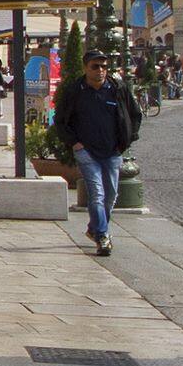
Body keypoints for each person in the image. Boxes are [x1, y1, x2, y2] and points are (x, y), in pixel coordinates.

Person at [54, 55, 141, 257]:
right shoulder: (75, 91)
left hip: (112, 151)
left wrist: (126, 140)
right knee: (97, 194)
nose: (100, 70)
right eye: (95, 67)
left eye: (104, 66)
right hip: (86, 152)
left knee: (110, 196)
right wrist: (75, 143)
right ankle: (102, 235)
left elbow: (135, 114)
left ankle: (94, 228)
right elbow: (60, 120)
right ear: (86, 68)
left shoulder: (117, 89)